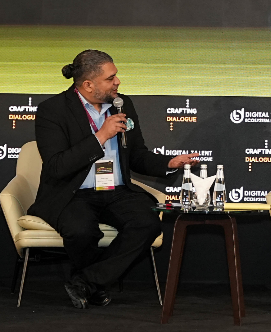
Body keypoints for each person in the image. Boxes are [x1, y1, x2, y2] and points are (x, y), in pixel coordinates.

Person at [28, 49, 199, 308]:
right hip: (73, 193)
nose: (117, 82)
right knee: (81, 230)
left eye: (116, 75)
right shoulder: (52, 110)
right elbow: (57, 166)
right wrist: (101, 136)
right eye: (110, 78)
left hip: (116, 191)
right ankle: (93, 285)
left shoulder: (122, 104)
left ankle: (86, 282)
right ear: (88, 84)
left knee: (147, 222)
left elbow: (137, 155)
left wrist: (169, 163)